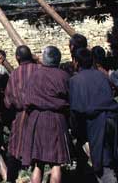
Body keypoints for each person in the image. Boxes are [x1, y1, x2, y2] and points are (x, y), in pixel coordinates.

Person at [69, 48, 118, 183]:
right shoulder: (102, 75)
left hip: (97, 123)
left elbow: (76, 110)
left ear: (75, 62)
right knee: (109, 154)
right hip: (113, 119)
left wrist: (75, 130)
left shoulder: (76, 80)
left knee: (102, 161)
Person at [22, 46, 71, 183]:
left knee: (38, 164)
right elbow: (69, 99)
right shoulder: (64, 76)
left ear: (44, 59)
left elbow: (26, 100)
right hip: (56, 119)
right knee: (56, 164)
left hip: (37, 119)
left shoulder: (35, 75)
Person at [3, 45, 40, 182]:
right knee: (38, 147)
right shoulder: (40, 70)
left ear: (17, 57)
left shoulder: (14, 74)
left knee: (15, 149)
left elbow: (8, 101)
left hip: (21, 116)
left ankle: (12, 178)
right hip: (39, 114)